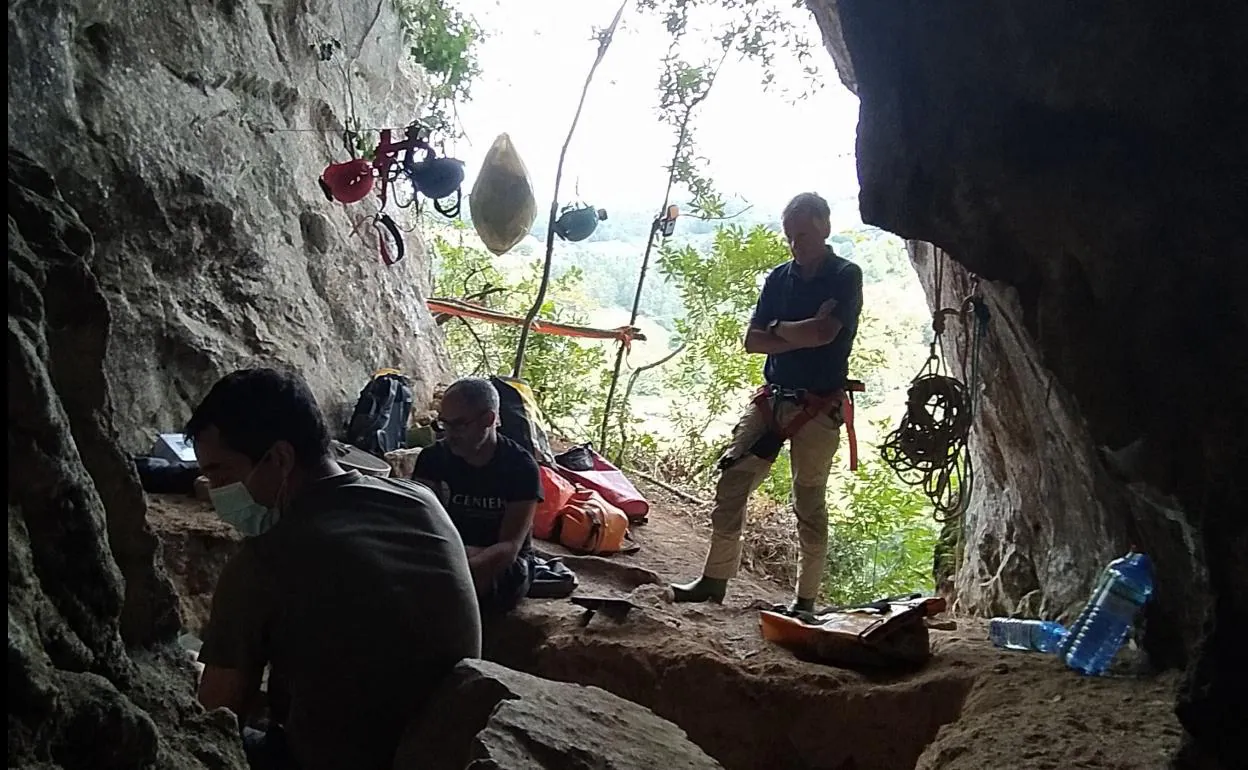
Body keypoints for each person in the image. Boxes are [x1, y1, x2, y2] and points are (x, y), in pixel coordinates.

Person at [187, 367, 481, 770]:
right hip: (442, 754)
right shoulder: (420, 501)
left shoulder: (268, 560)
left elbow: (215, 720)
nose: (215, 491)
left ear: (279, 458)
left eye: (221, 473)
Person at [671, 192, 863, 613]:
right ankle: (714, 580)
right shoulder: (780, 278)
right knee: (732, 481)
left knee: (808, 502)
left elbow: (824, 335)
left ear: (826, 227)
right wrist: (795, 328)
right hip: (773, 400)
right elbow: (753, 341)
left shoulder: (845, 276)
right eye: (791, 236)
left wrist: (781, 330)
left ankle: (805, 601)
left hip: (818, 405)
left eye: (805, 234)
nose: (798, 244)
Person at [413, 377, 541, 617]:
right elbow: (419, 525)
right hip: (447, 550)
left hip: (496, 562)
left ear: (488, 420)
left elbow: (509, 547)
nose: (449, 434)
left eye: (459, 425)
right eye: (444, 424)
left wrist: (456, 570)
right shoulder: (432, 459)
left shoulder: (521, 467)